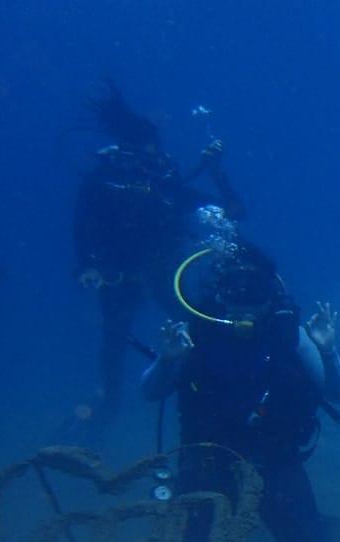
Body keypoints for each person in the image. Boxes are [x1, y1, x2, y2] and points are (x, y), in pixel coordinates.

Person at [142, 243, 340, 542]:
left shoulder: (290, 334)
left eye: (255, 294)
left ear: (271, 295)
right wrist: (167, 360)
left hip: (275, 462)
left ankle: (315, 524)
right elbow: (151, 392)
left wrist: (327, 351)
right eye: (234, 293)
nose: (245, 307)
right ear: (219, 294)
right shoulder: (194, 334)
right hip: (206, 463)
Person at [75, 81, 243, 429]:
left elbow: (233, 212)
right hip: (121, 277)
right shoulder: (103, 181)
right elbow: (84, 226)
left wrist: (216, 171)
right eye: (143, 154)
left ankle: (209, 390)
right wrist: (88, 265)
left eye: (152, 154)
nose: (149, 163)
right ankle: (106, 408)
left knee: (195, 328)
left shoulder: (165, 184)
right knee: (114, 342)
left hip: (165, 273)